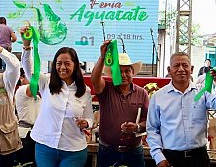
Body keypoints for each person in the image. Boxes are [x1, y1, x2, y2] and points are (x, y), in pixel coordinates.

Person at [20, 25, 94, 167]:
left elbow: (90, 118)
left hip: (74, 150)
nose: (62, 67)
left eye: (67, 63)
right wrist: (26, 45)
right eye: (59, 64)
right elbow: (29, 69)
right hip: (45, 147)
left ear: (76, 65)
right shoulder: (46, 82)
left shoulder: (85, 91)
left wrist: (87, 123)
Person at [146, 52, 216, 167]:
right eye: (176, 66)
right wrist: (158, 157)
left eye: (185, 65)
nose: (181, 69)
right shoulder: (158, 97)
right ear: (169, 70)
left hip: (199, 158)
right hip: (170, 158)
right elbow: (152, 130)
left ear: (192, 69)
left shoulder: (203, 92)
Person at [90, 40, 149, 167]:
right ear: (113, 73)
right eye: (119, 71)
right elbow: (94, 80)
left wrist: (137, 127)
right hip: (107, 150)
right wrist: (102, 57)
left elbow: (148, 120)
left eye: (127, 71)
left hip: (134, 151)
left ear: (132, 72)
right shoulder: (106, 89)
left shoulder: (142, 93)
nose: (123, 75)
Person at [14, 68, 41, 167]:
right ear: (21, 78)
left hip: (36, 133)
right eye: (30, 76)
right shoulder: (21, 91)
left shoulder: (37, 97)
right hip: (26, 135)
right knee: (26, 163)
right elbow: (34, 86)